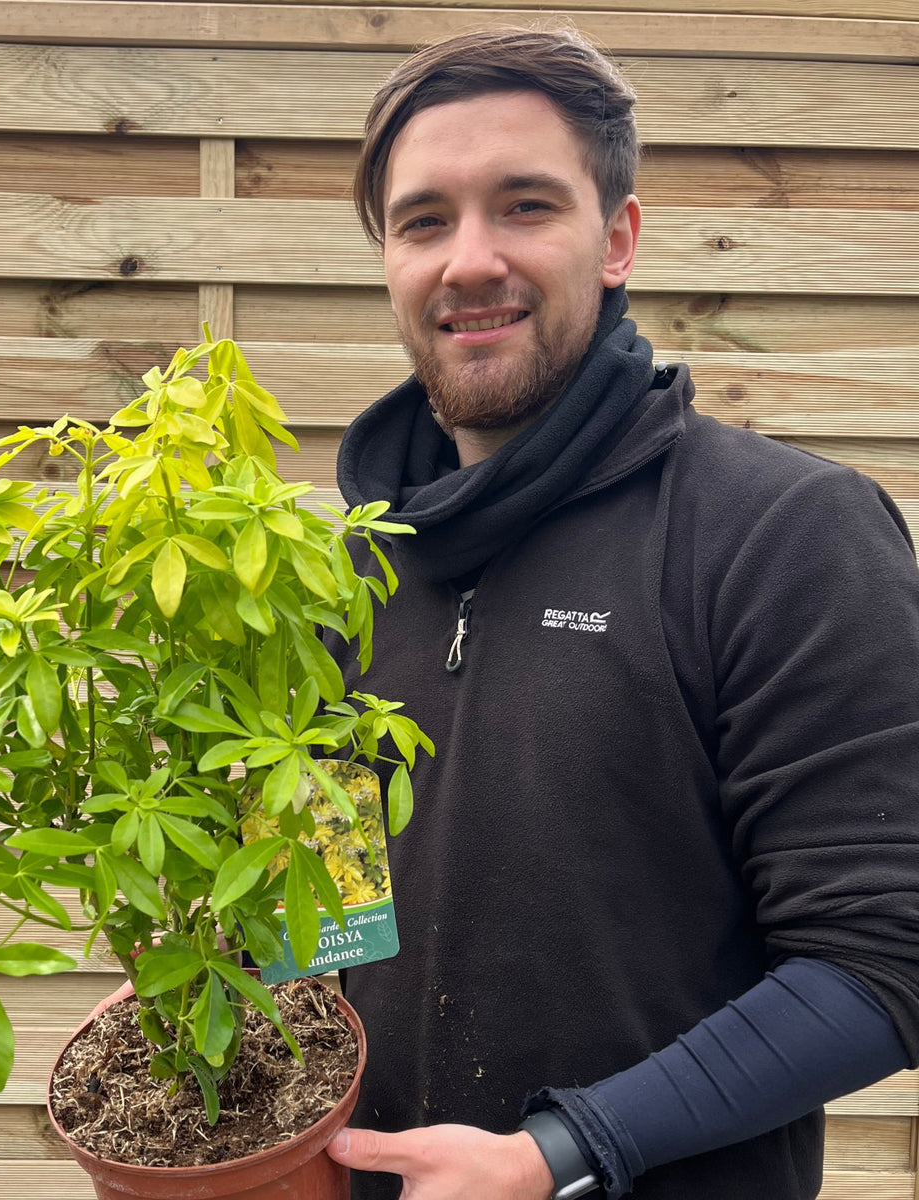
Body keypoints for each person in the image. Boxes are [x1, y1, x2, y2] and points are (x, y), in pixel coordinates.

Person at [319, 27, 919, 1200]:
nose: (470, 260)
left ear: (620, 240)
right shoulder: (339, 569)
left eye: (526, 206)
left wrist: (563, 1154)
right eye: (425, 220)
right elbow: (335, 919)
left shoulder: (782, 533)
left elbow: (884, 955)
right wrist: (210, 990)